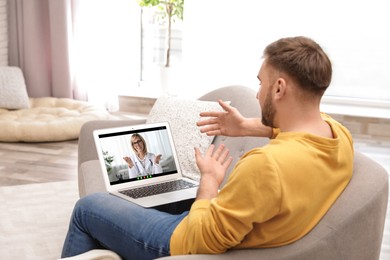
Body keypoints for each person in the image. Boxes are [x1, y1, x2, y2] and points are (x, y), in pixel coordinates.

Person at [61, 36, 353, 259]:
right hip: (232, 217)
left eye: (260, 83)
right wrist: (246, 127)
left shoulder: (267, 165)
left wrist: (210, 182)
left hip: (187, 238)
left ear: (278, 88)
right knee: (153, 193)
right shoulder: (338, 136)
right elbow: (293, 129)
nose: (257, 92)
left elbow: (203, 238)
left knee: (88, 209)